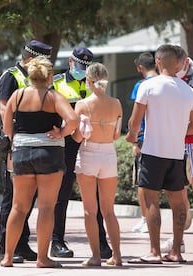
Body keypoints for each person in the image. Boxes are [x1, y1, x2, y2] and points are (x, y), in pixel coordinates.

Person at [126, 44, 193, 264]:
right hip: (177, 154)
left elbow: (135, 121)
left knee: (151, 201)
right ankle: (176, 252)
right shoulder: (189, 92)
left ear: (158, 62)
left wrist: (132, 136)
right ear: (179, 64)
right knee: (178, 203)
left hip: (152, 151)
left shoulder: (148, 86)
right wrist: (176, 130)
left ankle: (154, 252)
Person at [0, 56, 79, 268]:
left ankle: (7, 257)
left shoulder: (17, 95)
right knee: (46, 207)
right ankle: (43, 258)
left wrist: (20, 137)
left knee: (18, 207)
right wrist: (61, 132)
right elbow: (73, 120)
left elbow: (7, 128)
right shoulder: (54, 96)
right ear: (50, 75)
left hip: (22, 153)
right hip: (49, 153)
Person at [51, 47, 112, 259]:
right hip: (65, 144)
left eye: (86, 67)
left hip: (89, 144)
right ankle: (56, 241)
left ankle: (102, 242)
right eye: (79, 65)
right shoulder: (56, 82)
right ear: (70, 62)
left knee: (94, 195)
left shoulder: (92, 83)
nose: (82, 70)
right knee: (62, 193)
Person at [0, 40, 52, 263]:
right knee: (12, 198)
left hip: (35, 142)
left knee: (29, 197)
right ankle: (5, 247)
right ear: (31, 58)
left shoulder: (37, 77)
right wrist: (16, 135)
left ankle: (22, 244)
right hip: (16, 141)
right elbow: (3, 109)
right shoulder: (11, 76)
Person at [160, 53, 193, 256]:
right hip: (174, 143)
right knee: (177, 192)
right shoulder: (167, 78)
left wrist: (190, 120)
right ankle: (178, 240)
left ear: (184, 61)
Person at [72, 62, 123, 266]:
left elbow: (77, 137)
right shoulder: (116, 103)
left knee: (89, 211)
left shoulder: (82, 104)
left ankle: (95, 256)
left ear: (90, 81)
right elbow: (117, 133)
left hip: (89, 152)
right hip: (109, 153)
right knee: (109, 210)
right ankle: (117, 255)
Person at [130, 52, 158, 233]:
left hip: (144, 139)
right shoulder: (168, 83)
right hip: (165, 138)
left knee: (142, 182)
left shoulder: (141, 85)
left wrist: (134, 139)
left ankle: (145, 218)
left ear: (140, 68)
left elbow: (137, 115)